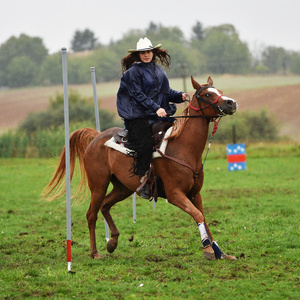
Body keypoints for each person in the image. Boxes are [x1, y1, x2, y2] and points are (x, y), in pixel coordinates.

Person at [116, 37, 187, 199]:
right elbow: (138, 96)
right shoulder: (132, 73)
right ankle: (142, 178)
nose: (146, 55)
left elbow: (166, 92)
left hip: (155, 115)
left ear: (152, 53)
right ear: (138, 55)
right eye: (142, 53)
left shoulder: (159, 71)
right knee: (146, 142)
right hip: (136, 116)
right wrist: (157, 108)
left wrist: (180, 96)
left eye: (148, 52)